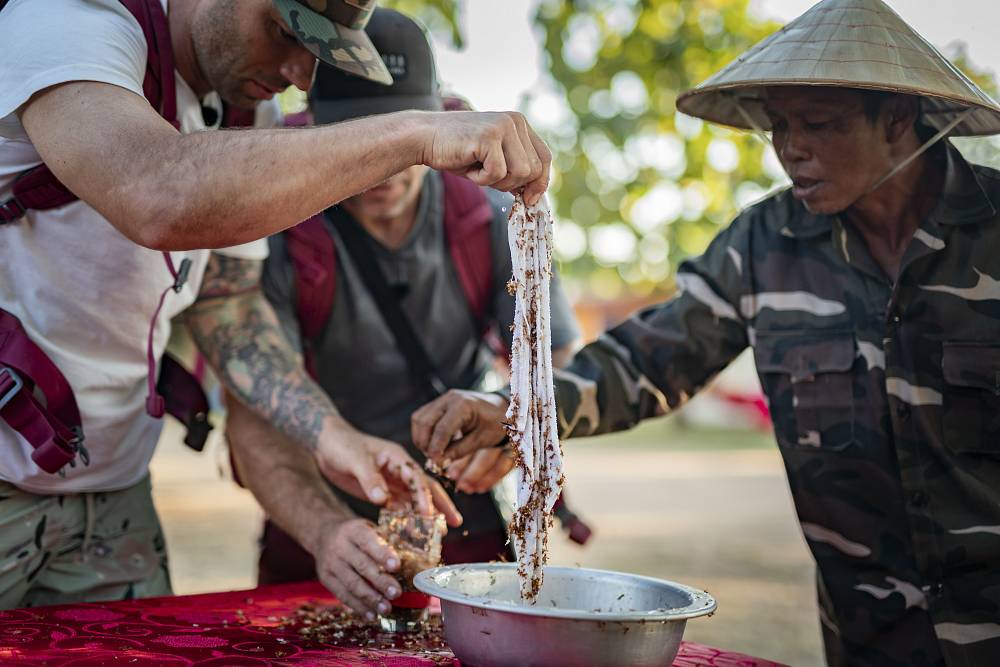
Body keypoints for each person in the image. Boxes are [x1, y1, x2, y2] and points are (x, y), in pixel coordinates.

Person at [407, 0, 1000, 664]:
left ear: (897, 118)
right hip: (872, 641)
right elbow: (645, 361)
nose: (790, 148)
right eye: (778, 125)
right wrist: (514, 408)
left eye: (818, 123)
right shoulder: (762, 244)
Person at [0, 0, 550, 609]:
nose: (301, 76)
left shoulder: (244, 107)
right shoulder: (72, 20)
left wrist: (332, 436)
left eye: (320, 53)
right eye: (286, 33)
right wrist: (417, 132)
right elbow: (155, 192)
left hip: (112, 483)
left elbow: (227, 305)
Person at [222, 8, 580, 615]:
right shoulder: (276, 226)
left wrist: (513, 423)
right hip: (316, 513)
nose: (382, 167)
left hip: (462, 516)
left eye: (399, 139)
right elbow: (250, 407)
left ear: (435, 123)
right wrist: (324, 531)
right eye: (357, 137)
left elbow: (560, 362)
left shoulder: (487, 214)